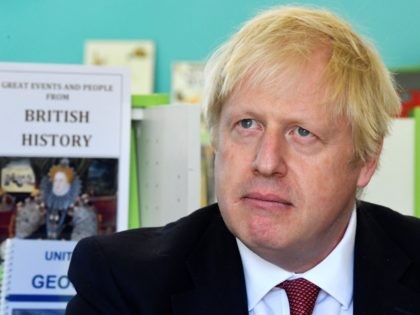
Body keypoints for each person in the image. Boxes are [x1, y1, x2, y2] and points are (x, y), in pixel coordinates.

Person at [66, 6, 420, 315]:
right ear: (217, 137)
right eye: (247, 125)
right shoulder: (125, 283)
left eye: (302, 133)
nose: (266, 163)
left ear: (366, 160)